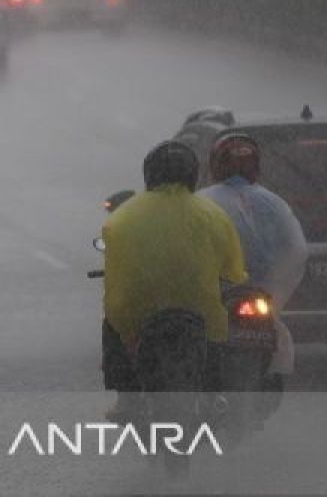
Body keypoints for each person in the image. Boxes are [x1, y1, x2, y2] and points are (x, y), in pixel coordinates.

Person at [101, 140, 247, 418]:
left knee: (112, 327)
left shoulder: (122, 218)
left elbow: (115, 275)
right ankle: (214, 396)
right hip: (201, 311)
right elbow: (233, 271)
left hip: (142, 310)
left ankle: (126, 401)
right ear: (192, 175)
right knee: (217, 341)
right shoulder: (213, 215)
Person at [197, 133, 308, 379]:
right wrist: (273, 289)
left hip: (215, 295)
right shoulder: (275, 203)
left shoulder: (200, 202)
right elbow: (296, 252)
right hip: (259, 296)